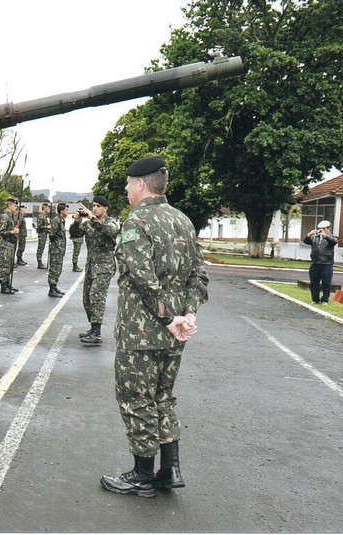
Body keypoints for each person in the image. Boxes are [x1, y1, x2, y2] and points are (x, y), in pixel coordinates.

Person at [100, 156, 208, 498]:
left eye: (129, 183)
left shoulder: (137, 221)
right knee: (163, 396)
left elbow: (142, 277)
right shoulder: (183, 221)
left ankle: (142, 474)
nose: (126, 189)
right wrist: (186, 314)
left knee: (136, 398)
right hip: (176, 332)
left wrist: (168, 317)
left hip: (142, 331)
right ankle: (170, 469)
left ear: (141, 184)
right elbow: (199, 275)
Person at [69, 196, 121, 345]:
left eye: (98, 206)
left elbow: (108, 231)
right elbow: (75, 234)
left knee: (96, 296)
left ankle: (96, 332)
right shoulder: (89, 224)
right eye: (93, 206)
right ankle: (92, 328)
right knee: (87, 298)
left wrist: (92, 218)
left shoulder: (110, 223)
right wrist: (77, 221)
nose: (95, 209)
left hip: (104, 266)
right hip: (91, 266)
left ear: (106, 209)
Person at [302, 220, 338, 304]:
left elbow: (334, 242)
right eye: (319, 229)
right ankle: (315, 299)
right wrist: (309, 234)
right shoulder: (315, 237)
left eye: (323, 228)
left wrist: (325, 236)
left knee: (326, 284)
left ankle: (325, 300)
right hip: (315, 263)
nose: (320, 230)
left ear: (328, 228)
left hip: (326, 264)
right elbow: (305, 241)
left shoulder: (332, 237)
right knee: (314, 283)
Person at [0, 197, 21, 294]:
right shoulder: (5, 216)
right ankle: (4, 286)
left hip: (11, 244)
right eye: (15, 206)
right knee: (5, 266)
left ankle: (8, 284)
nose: (16, 208)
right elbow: (1, 231)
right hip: (6, 244)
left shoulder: (11, 216)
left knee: (10, 265)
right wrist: (12, 231)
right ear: (9, 206)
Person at [47, 202, 69, 297]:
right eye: (66, 210)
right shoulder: (56, 220)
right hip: (56, 249)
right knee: (54, 269)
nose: (67, 212)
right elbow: (52, 235)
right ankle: (51, 289)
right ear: (62, 211)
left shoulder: (62, 220)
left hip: (60, 249)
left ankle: (55, 286)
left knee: (58, 269)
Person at [34, 202, 51, 269]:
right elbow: (40, 226)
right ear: (44, 208)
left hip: (45, 233)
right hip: (42, 234)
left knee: (42, 248)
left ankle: (40, 262)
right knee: (40, 248)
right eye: (47, 207)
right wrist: (47, 227)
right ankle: (39, 262)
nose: (48, 209)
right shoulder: (41, 216)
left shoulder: (45, 216)